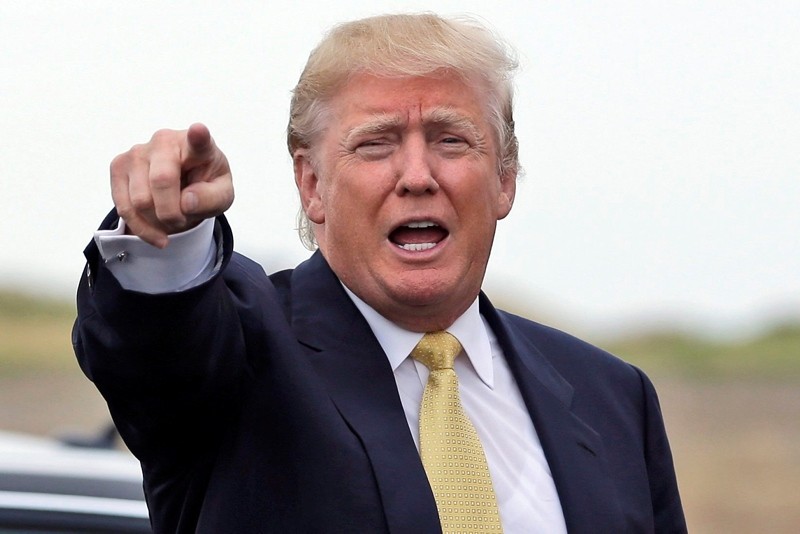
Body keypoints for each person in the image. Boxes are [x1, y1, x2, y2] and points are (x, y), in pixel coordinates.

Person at [73, 13, 686, 534]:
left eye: (451, 141)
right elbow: (158, 351)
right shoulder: (245, 357)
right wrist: (166, 237)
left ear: (504, 178)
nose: (417, 174)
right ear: (311, 185)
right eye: (376, 144)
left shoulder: (614, 398)